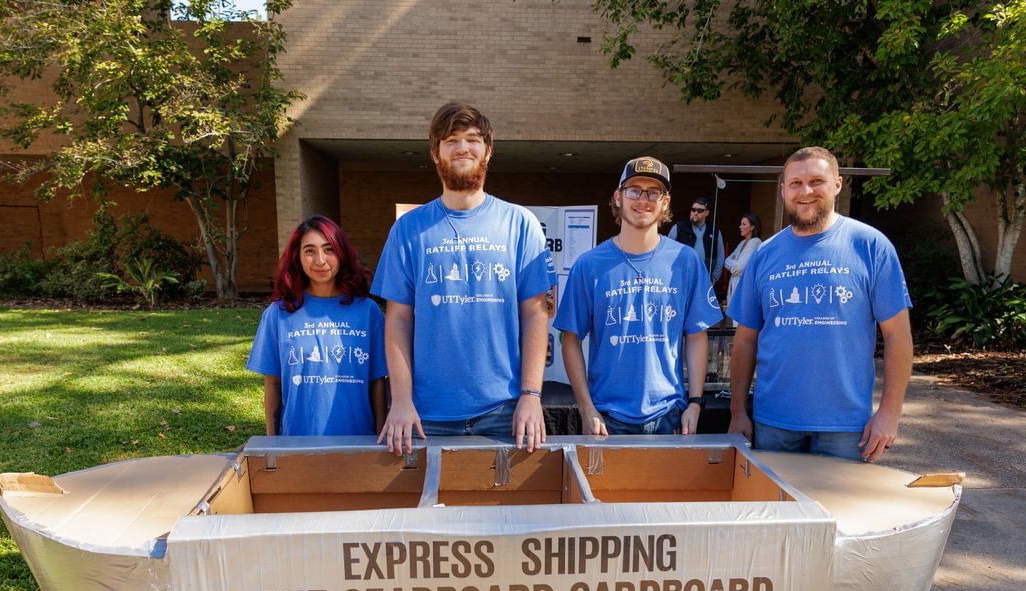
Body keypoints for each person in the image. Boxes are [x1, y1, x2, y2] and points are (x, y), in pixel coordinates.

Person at [726, 147, 913, 591]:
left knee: (844, 536)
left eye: (815, 182)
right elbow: (744, 341)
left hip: (844, 425)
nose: (804, 192)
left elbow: (897, 337)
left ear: (836, 186)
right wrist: (739, 411)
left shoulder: (869, 246)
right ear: (782, 191)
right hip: (774, 422)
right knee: (777, 534)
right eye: (794, 184)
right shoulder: (765, 255)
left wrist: (890, 412)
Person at [372, 102, 557, 454]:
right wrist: (400, 399)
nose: (462, 148)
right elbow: (397, 319)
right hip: (426, 413)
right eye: (451, 139)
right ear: (435, 153)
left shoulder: (520, 224)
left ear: (488, 151)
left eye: (472, 139)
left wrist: (531, 395)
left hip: (505, 409)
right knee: (431, 506)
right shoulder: (408, 230)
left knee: (503, 507)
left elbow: (536, 313)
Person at [554, 157, 722, 435]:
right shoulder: (589, 265)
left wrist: (695, 402)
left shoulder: (686, 261)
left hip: (670, 415)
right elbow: (569, 339)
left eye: (653, 192)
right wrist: (586, 408)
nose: (643, 199)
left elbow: (696, 335)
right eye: (634, 190)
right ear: (618, 197)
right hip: (607, 417)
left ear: (665, 202)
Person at [247, 216, 388, 436]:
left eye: (329, 249)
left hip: (359, 442)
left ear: (341, 253)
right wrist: (272, 445)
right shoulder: (279, 313)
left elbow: (377, 383)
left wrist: (380, 440)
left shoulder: (367, 311)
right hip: (297, 443)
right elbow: (273, 384)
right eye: (310, 251)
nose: (320, 260)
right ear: (298, 257)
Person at [667, 196, 725, 287]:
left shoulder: (714, 231)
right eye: (693, 210)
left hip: (704, 280)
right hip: (680, 278)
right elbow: (667, 252)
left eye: (699, 210)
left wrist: (714, 278)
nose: (695, 213)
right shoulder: (679, 227)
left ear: (707, 213)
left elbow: (720, 256)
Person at [723, 211, 763, 323]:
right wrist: (736, 265)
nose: (740, 227)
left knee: (740, 321)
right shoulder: (742, 243)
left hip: (744, 285)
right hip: (734, 284)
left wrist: (735, 265)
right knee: (733, 320)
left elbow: (740, 268)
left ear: (752, 226)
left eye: (744, 224)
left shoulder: (755, 242)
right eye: (741, 224)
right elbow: (726, 261)